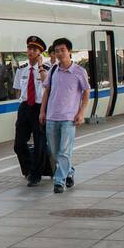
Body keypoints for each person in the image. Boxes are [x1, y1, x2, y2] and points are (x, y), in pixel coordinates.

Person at [39, 37, 90, 194]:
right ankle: (69, 171)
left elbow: (86, 92)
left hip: (68, 118)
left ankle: (59, 181)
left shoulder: (79, 71)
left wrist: (81, 112)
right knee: (54, 152)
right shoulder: (53, 70)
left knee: (64, 151)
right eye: (56, 51)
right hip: (51, 117)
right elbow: (46, 91)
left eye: (62, 50)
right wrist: (42, 111)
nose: (60, 53)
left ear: (69, 51)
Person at [12, 35, 52, 187]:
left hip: (39, 108)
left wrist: (41, 65)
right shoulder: (21, 69)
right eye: (29, 48)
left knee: (39, 143)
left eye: (34, 49)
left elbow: (47, 85)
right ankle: (28, 169)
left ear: (40, 52)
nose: (30, 51)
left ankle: (36, 175)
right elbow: (17, 90)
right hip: (24, 107)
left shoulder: (47, 69)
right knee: (18, 144)